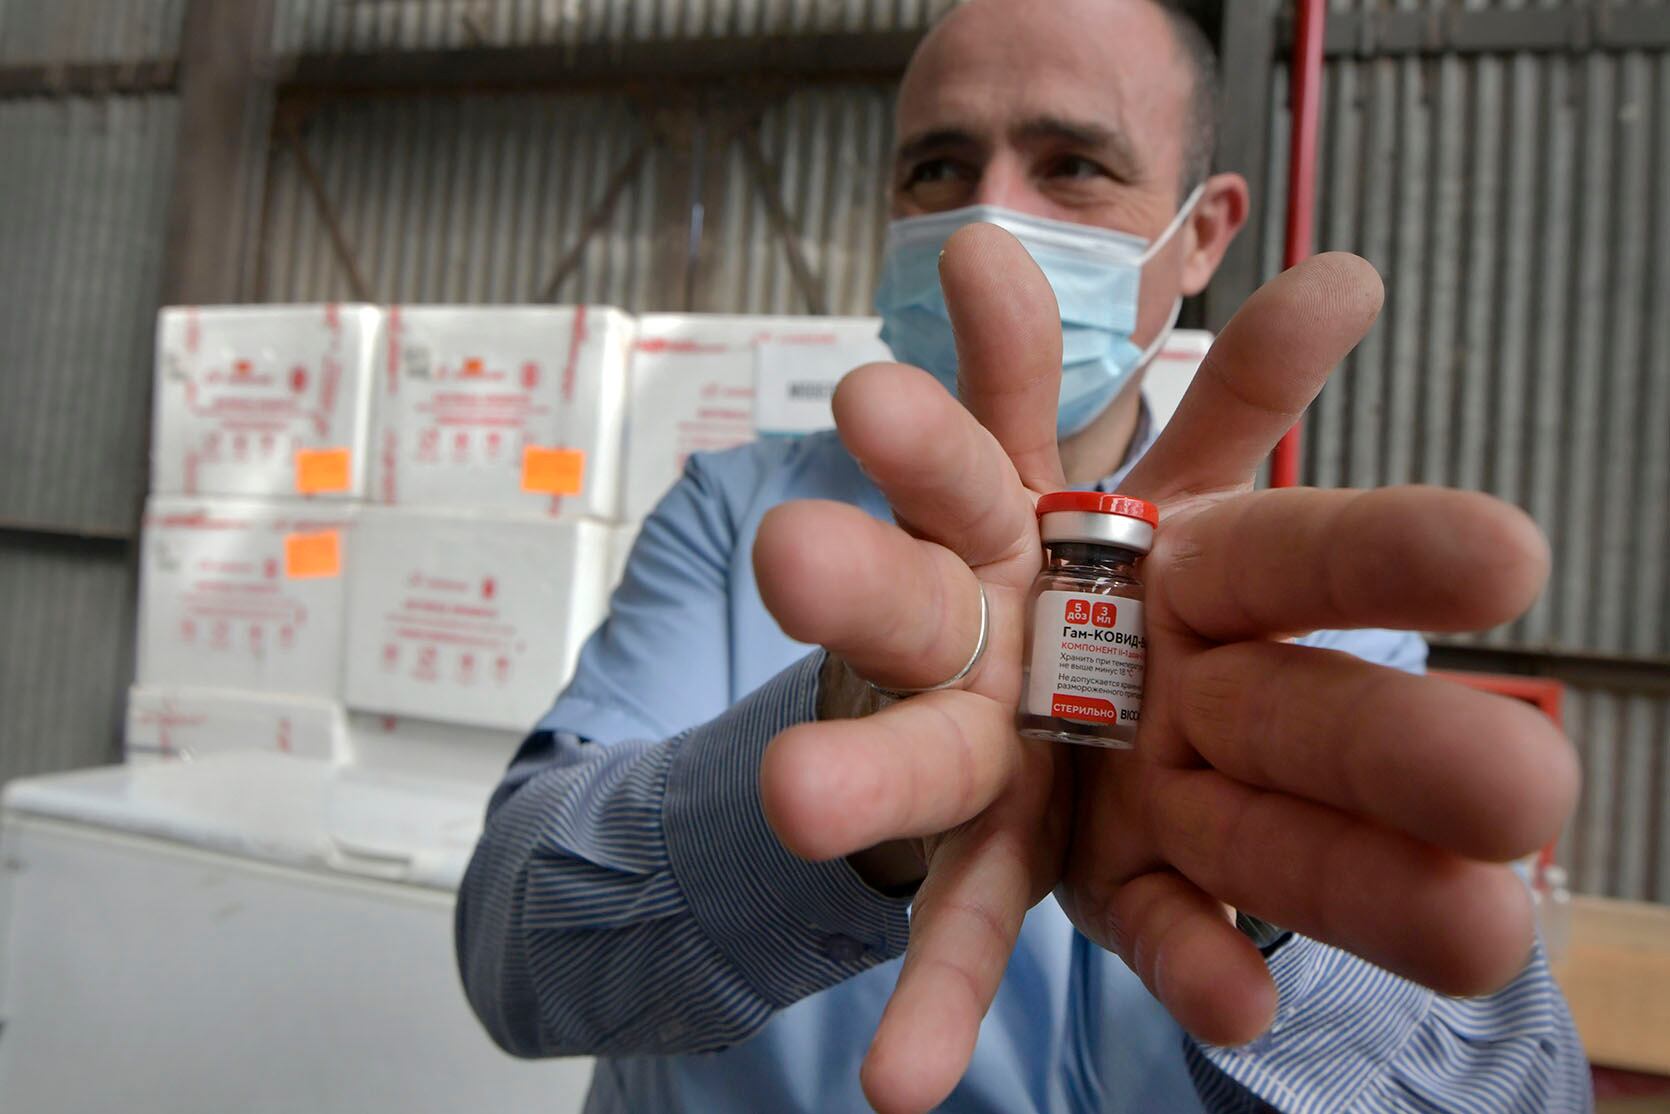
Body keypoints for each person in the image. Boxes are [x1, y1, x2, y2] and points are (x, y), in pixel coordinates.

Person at [457, 0, 1592, 1110]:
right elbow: (514, 954)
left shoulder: (1303, 607)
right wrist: (838, 769)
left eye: (1073, 165)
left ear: (1201, 230)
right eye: (938, 170)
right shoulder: (736, 514)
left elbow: (1519, 1090)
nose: (987, 224)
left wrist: (1269, 907)